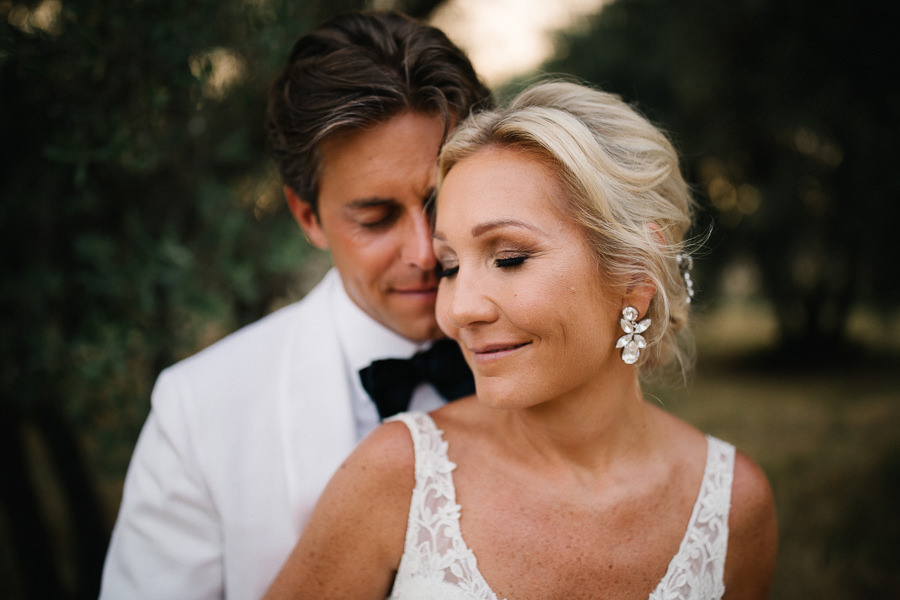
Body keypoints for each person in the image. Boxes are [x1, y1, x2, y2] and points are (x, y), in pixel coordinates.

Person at [263, 80, 778, 599]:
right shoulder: (397, 473)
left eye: (509, 258)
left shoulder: (734, 505)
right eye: (450, 266)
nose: (460, 310)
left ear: (636, 274)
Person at [99, 11, 492, 599]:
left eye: (442, 201)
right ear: (307, 215)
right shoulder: (198, 412)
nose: (424, 250)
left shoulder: (554, 358)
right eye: (376, 217)